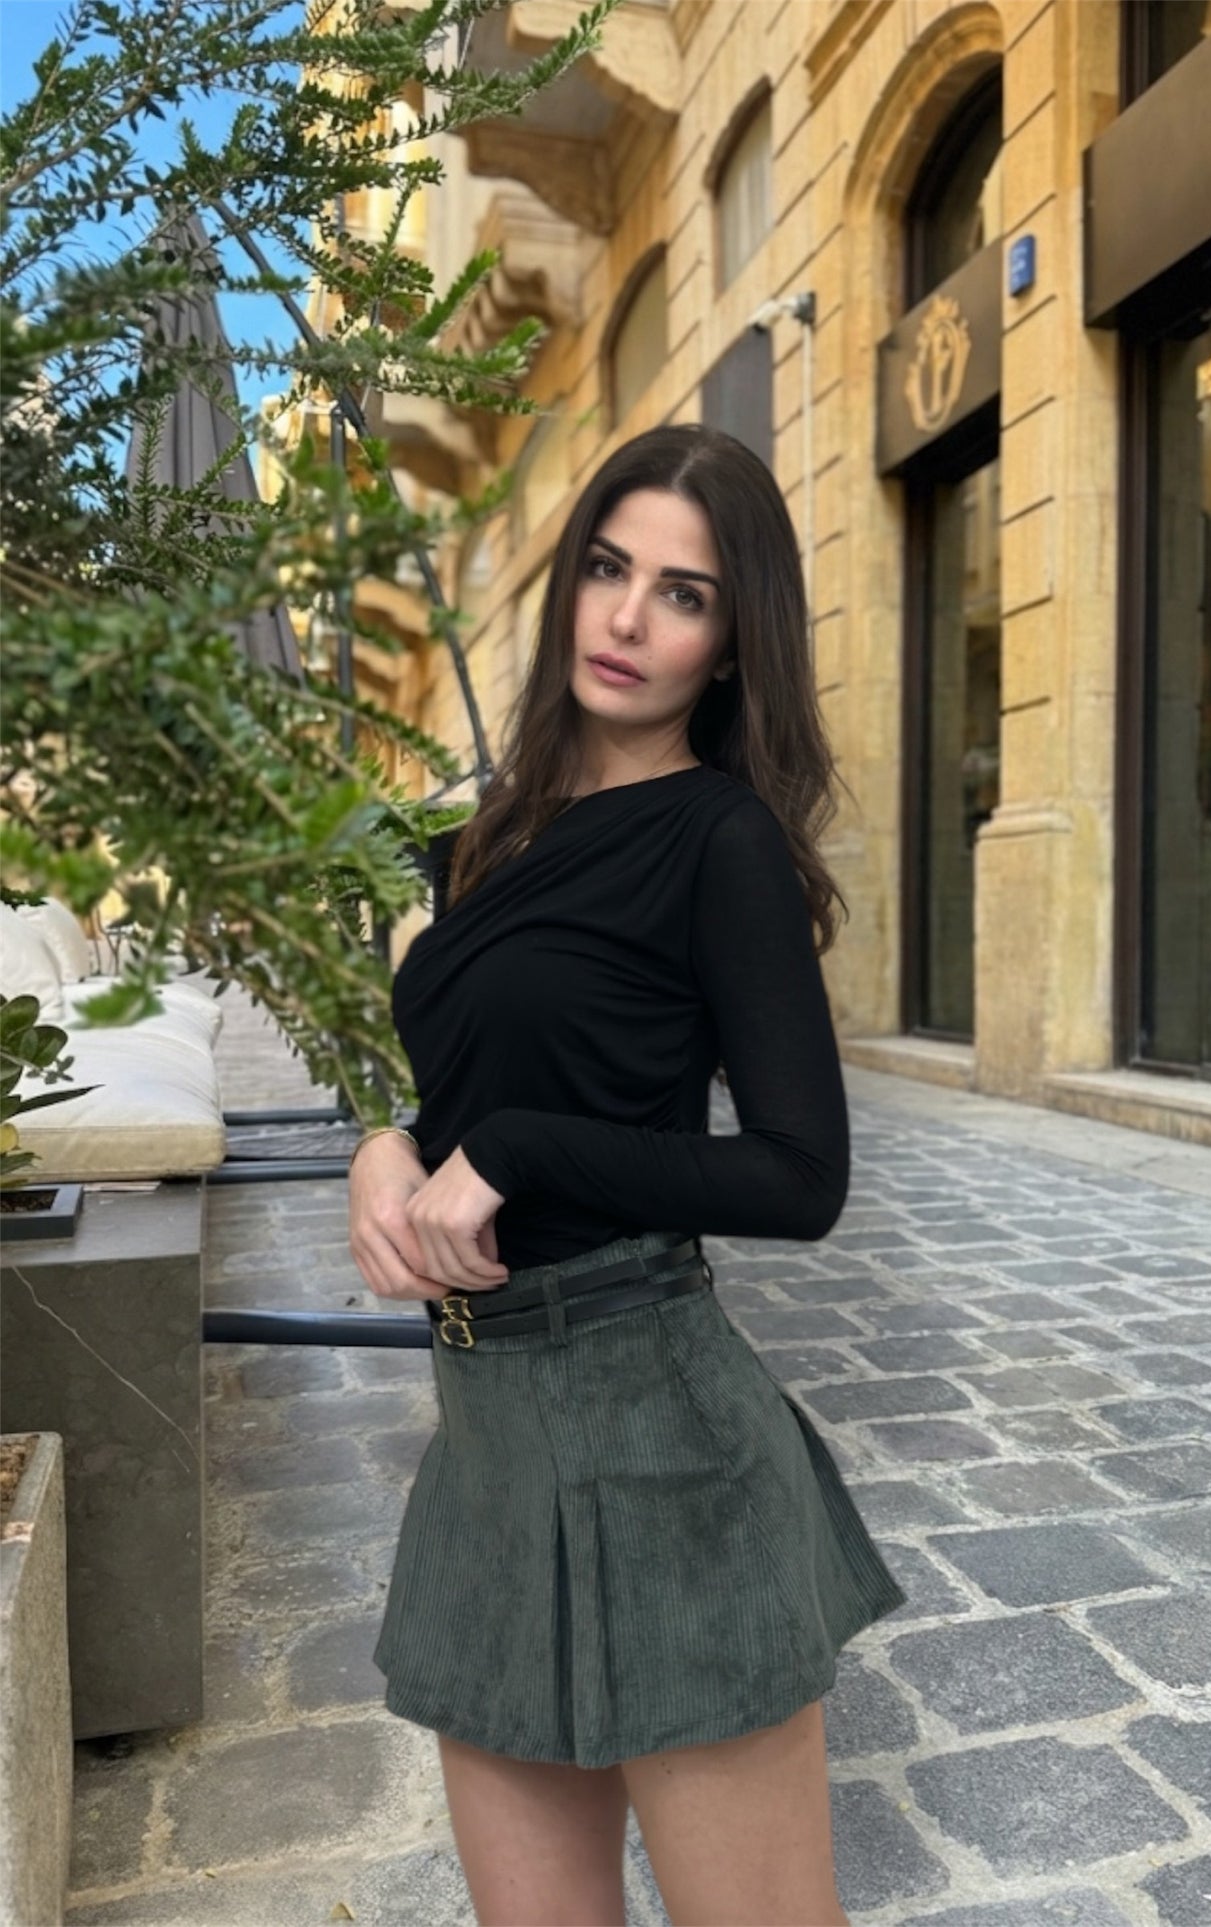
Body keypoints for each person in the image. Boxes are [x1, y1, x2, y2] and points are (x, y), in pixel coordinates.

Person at [348, 422, 906, 1927]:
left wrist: (516, 1152)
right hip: (486, 1441)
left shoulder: (719, 840)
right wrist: (385, 1144)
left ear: (731, 645)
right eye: (608, 568)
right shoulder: (485, 839)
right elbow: (460, 1081)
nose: (627, 618)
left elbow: (801, 1177)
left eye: (683, 593)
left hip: (658, 1430)